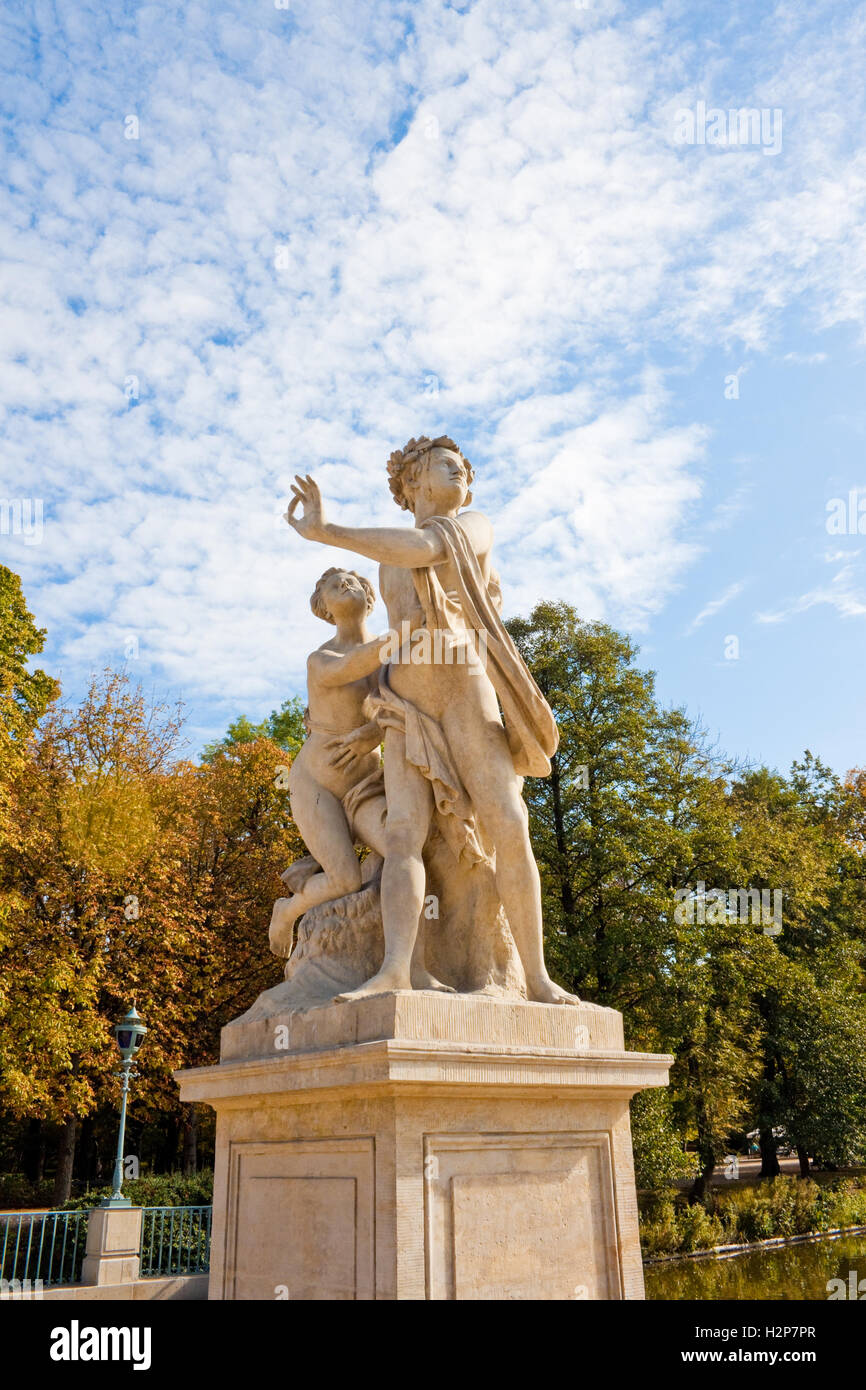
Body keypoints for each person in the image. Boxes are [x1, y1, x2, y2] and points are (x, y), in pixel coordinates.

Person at [286, 435, 580, 1006]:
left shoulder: (473, 525)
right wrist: (376, 722)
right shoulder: (386, 557)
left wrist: (328, 532)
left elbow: (427, 549)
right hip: (406, 709)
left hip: (464, 695)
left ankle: (537, 978)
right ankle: (397, 970)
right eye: (450, 467)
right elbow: (387, 647)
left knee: (508, 821)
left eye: (464, 468)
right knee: (402, 837)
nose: (465, 474)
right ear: (414, 482)